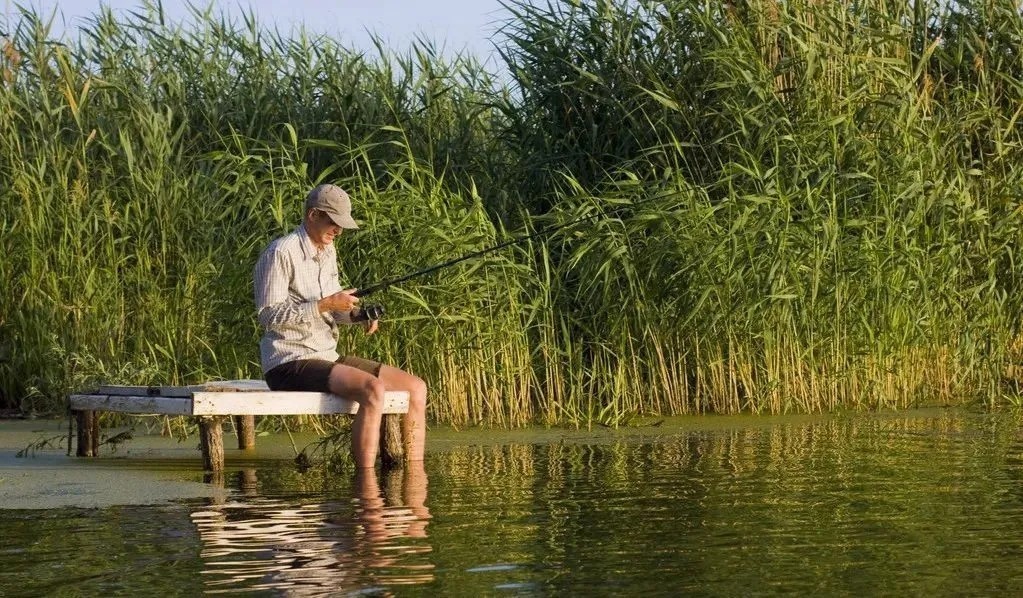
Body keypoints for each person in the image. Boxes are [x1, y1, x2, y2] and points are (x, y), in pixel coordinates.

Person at [253, 184, 427, 468]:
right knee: (373, 390)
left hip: (326, 356)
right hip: (288, 361)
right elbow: (268, 315)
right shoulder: (280, 253)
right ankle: (366, 486)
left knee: (415, 388)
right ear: (313, 215)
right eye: (333, 222)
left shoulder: (328, 252)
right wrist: (324, 304)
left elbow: (335, 310)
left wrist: (358, 315)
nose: (339, 231)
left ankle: (415, 475)